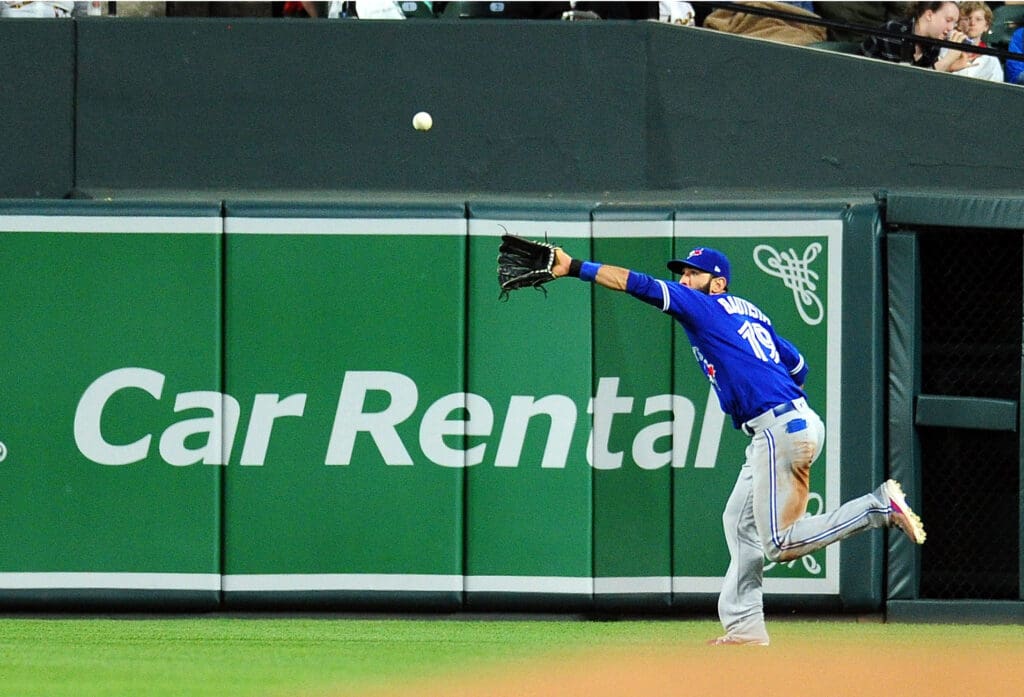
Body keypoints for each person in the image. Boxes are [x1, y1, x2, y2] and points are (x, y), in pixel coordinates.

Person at [548, 244, 926, 646]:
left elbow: (635, 284)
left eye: (693, 274)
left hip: (776, 430)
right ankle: (744, 628)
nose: (684, 280)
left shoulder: (703, 306)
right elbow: (798, 365)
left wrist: (574, 267)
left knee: (780, 544)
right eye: (683, 273)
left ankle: (877, 507)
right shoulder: (750, 312)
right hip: (792, 421)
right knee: (739, 520)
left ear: (717, 283)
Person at [861, 1, 969, 71]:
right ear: (929, 15)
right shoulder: (895, 32)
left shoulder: (933, 45)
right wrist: (947, 61)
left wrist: (949, 68)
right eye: (948, 20)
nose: (951, 28)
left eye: (954, 23)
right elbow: (904, 84)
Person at [943, 1, 1003, 81]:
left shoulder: (991, 60)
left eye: (978, 19)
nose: (972, 23)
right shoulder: (945, 51)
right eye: (967, 19)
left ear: (986, 26)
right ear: (958, 23)